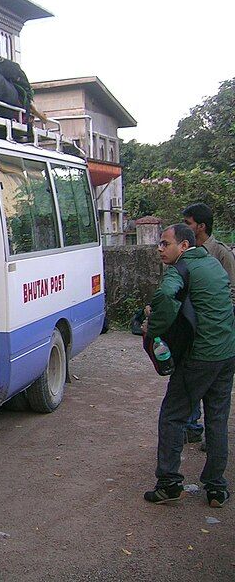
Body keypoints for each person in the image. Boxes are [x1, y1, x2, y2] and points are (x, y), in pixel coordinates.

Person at [143, 224, 235, 508]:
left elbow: (166, 297)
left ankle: (169, 483)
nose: (160, 248)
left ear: (183, 246)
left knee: (173, 416)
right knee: (217, 420)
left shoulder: (180, 270)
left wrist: (152, 327)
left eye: (165, 243)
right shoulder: (213, 263)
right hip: (226, 354)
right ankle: (216, 487)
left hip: (200, 357)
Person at [181, 203, 235, 446]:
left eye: (189, 223)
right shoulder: (186, 253)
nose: (186, 228)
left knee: (211, 388)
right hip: (191, 330)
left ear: (201, 226)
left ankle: (211, 440)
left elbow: (231, 292)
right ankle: (192, 426)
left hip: (214, 332)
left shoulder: (221, 254)